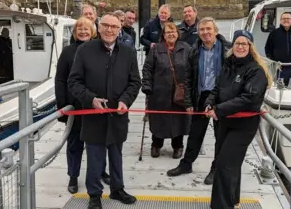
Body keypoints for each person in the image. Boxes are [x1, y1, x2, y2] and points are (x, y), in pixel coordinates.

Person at [67, 13, 141, 209]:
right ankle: (94, 194)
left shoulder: (128, 52)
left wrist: (126, 101)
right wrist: (90, 99)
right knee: (95, 157)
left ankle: (117, 189)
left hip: (118, 115)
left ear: (119, 30)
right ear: (98, 28)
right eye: (106, 26)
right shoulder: (84, 50)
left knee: (116, 155)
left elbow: (135, 82)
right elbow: (73, 81)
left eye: (114, 27)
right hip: (94, 116)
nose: (110, 30)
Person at [205, 30, 272, 209]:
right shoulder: (228, 65)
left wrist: (219, 109)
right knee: (230, 164)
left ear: (250, 47)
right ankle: (233, 201)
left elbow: (249, 98)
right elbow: (217, 88)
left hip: (243, 125)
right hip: (224, 122)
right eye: (237, 43)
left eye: (244, 44)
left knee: (225, 164)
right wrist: (210, 102)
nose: (240, 46)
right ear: (232, 46)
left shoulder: (256, 70)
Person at [166, 17, 231, 185]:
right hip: (201, 95)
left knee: (220, 135)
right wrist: (188, 102)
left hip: (221, 98)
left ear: (215, 30)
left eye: (209, 29)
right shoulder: (194, 50)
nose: (205, 32)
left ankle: (216, 168)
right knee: (195, 133)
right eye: (202, 30)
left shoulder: (227, 49)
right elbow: (188, 78)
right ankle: (186, 164)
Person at [55, 17, 95, 194]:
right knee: (74, 144)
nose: (83, 31)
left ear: (93, 31)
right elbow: (60, 79)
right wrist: (62, 105)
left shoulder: (98, 50)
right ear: (74, 31)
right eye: (79, 28)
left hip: (96, 106)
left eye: (87, 28)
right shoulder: (68, 52)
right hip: (75, 106)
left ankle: (100, 171)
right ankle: (73, 175)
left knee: (97, 144)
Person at [141, 22, 191, 159]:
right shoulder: (156, 48)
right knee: (158, 119)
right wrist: (146, 85)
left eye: (173, 31)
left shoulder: (186, 48)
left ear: (177, 33)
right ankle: (156, 145)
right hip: (158, 92)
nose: (171, 34)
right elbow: (147, 69)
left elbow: (192, 69)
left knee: (178, 121)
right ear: (163, 34)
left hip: (179, 93)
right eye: (167, 32)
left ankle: (178, 146)